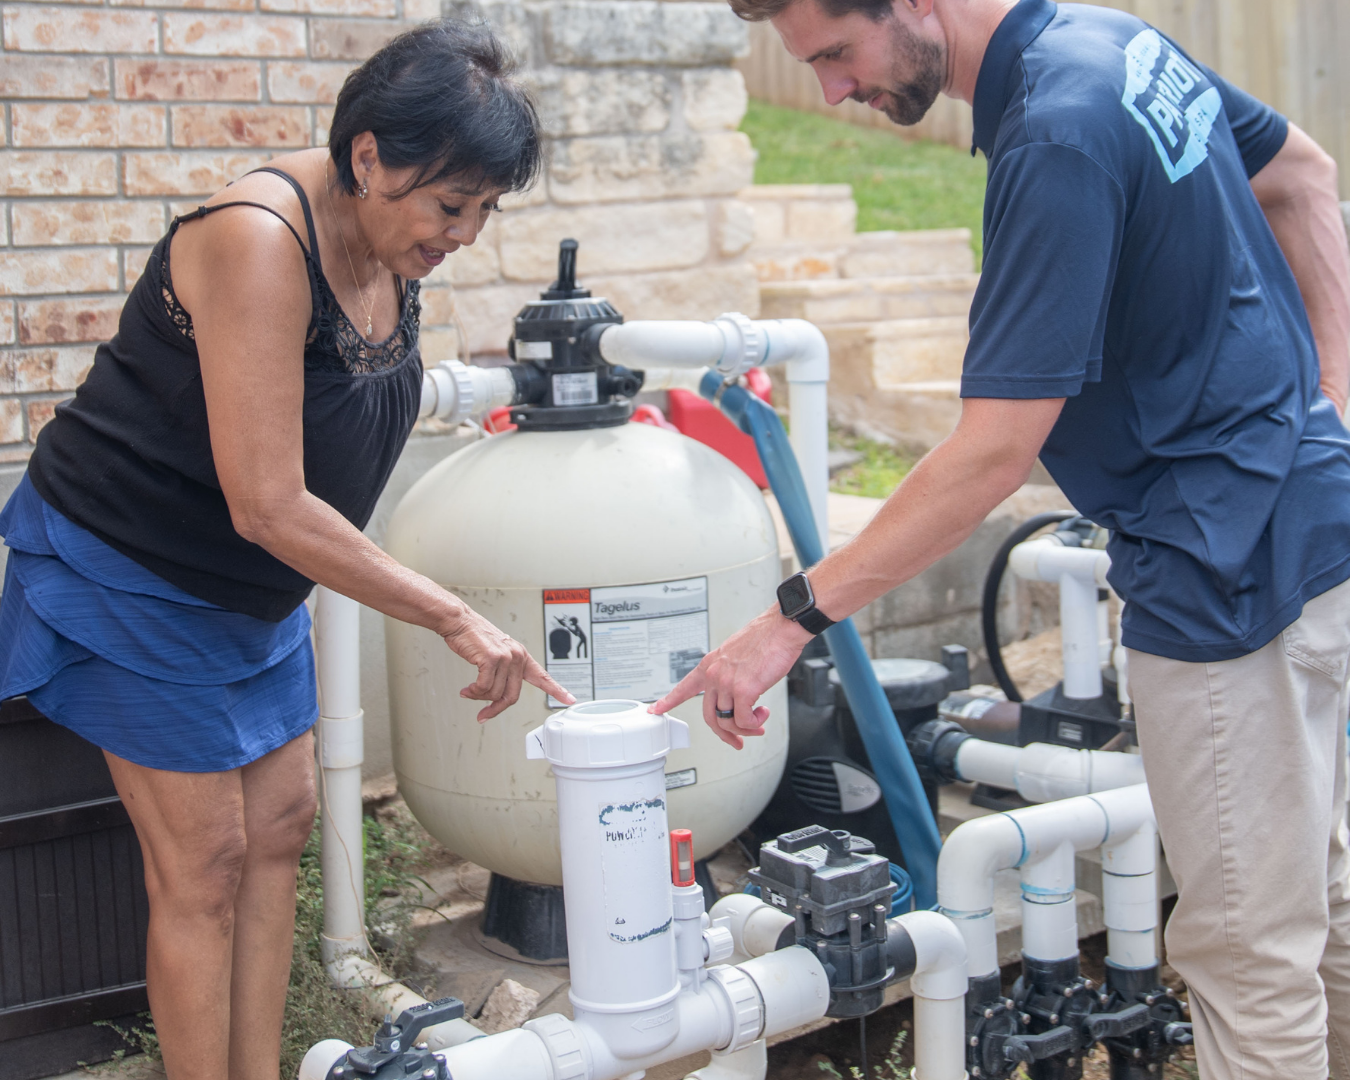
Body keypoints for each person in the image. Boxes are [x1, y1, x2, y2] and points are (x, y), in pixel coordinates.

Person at [654, 0, 1350, 1076]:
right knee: (1325, 905)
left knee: (1246, 954)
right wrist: (1332, 404)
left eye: (837, 55)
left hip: (1222, 577)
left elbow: (992, 454)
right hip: (1315, 523)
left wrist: (790, 621)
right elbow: (1305, 171)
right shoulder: (1116, 43)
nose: (833, 91)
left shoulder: (1055, 132)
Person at [0, 20, 572, 1080]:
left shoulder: (388, 233)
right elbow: (266, 500)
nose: (467, 235)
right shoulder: (260, 239)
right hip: (132, 568)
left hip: (251, 594)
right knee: (205, 862)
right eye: (454, 206)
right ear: (370, 159)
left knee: (282, 827)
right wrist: (447, 610)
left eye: (486, 211)